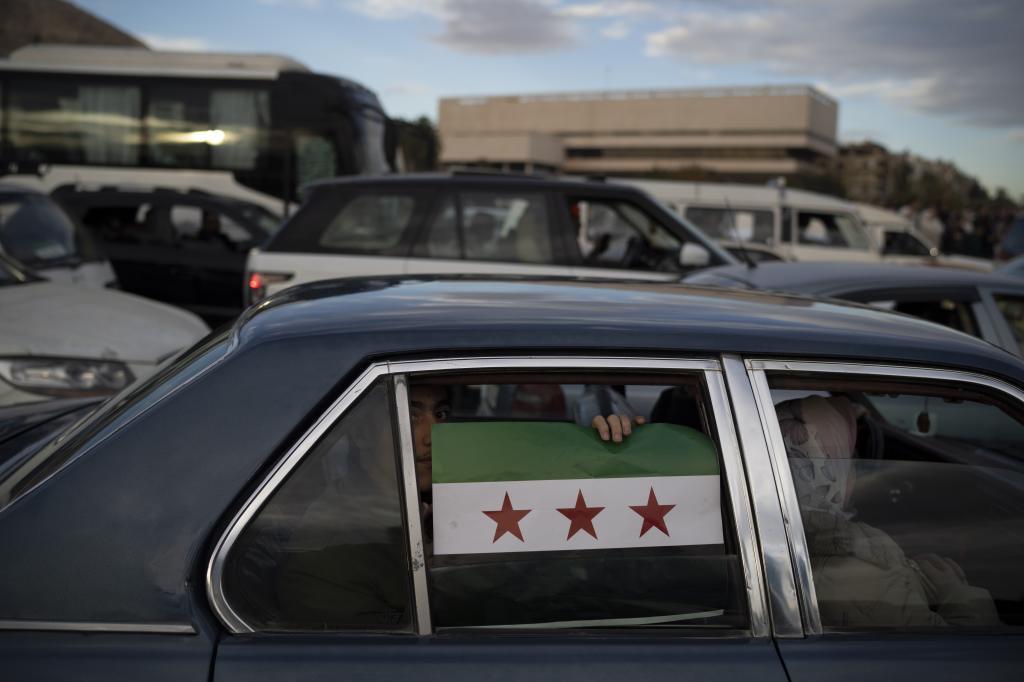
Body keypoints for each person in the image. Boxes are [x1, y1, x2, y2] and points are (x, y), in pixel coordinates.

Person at [776, 395, 999, 628]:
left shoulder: (782, 538)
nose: (855, 467)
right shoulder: (863, 578)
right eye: (848, 458)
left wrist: (907, 572)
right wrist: (955, 592)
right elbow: (958, 654)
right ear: (832, 474)